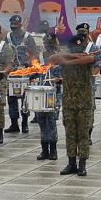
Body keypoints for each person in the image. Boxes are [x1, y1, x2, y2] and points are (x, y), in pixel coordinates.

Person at [50, 35, 97, 176]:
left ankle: (82, 164)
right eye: (74, 47)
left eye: (79, 47)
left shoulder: (88, 58)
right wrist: (69, 55)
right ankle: (71, 163)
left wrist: (69, 62)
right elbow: (52, 58)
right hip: (69, 103)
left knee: (82, 134)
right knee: (70, 134)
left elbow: (89, 59)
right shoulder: (67, 57)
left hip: (84, 103)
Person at [5, 15, 39, 134]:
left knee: (25, 98)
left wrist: (28, 62)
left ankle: (25, 123)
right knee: (11, 98)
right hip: (12, 72)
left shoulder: (27, 37)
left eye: (16, 24)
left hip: (25, 73)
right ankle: (14, 124)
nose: (14, 26)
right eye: (12, 24)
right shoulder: (7, 37)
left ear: (20, 25)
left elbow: (35, 52)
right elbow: (4, 52)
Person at [35, 34, 63, 162]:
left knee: (51, 121)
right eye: (47, 43)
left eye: (51, 43)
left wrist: (61, 80)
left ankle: (53, 149)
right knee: (41, 121)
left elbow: (65, 73)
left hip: (54, 92)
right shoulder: (40, 56)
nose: (49, 46)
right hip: (41, 91)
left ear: (55, 44)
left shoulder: (61, 57)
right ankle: (44, 149)